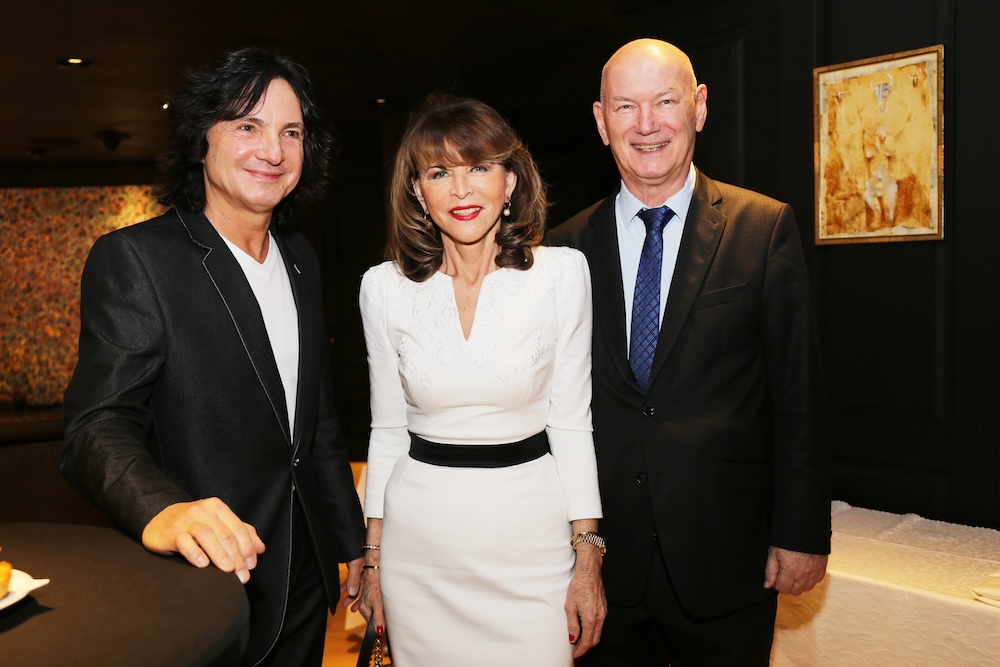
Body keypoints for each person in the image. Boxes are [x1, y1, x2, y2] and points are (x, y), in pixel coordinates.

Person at [61, 47, 366, 667]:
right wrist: (163, 508)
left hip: (306, 575)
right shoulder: (138, 259)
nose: (273, 150)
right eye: (248, 125)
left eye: (291, 133)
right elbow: (98, 424)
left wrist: (352, 542)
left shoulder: (302, 259)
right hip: (208, 581)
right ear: (202, 140)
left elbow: (316, 423)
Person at [547, 38, 831, 665]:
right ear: (601, 121)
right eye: (625, 107)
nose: (646, 125)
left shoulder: (763, 229)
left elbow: (797, 398)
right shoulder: (562, 251)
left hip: (728, 561)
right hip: (604, 572)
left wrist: (803, 533)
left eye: (666, 102)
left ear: (699, 107)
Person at [351, 93, 606, 666]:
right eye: (439, 173)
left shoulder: (561, 275)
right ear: (418, 191)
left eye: (480, 168)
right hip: (419, 556)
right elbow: (387, 431)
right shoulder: (383, 289)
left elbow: (572, 425)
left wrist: (588, 558)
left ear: (510, 182)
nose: (461, 191)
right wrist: (374, 560)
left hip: (533, 550)